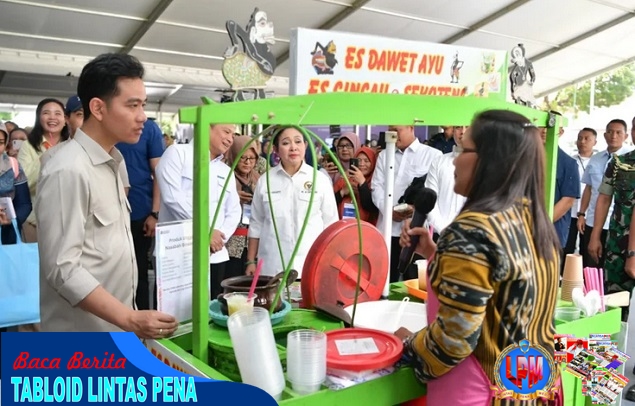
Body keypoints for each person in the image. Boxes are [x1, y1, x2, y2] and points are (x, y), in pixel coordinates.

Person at [396, 110, 561, 405]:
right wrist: (436, 253)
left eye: (464, 150)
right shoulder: (532, 219)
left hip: (480, 392)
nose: (455, 160)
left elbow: (454, 341)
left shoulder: (472, 230)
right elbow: (499, 290)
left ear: (490, 160)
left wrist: (408, 345)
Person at [36, 53, 177, 337]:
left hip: (115, 329)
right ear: (98, 108)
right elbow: (63, 269)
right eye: (132, 105)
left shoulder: (115, 161)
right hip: (82, 338)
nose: (142, 116)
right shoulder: (68, 170)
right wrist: (129, 318)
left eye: (143, 105)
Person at [156, 123, 241, 299]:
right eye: (226, 132)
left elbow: (234, 210)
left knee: (211, 306)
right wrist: (205, 231)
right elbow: (172, 198)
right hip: (178, 253)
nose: (230, 139)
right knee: (174, 311)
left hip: (214, 255)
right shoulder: (177, 154)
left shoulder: (225, 171)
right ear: (207, 127)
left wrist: (218, 239)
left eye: (233, 135)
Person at [247, 126, 339, 278]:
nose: (293, 147)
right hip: (272, 266)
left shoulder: (320, 180)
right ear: (275, 149)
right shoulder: (265, 181)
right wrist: (251, 261)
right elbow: (256, 223)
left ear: (305, 145)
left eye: (298, 141)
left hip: (310, 266)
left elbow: (330, 224)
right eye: (285, 143)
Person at [372, 125, 442, 282]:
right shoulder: (384, 155)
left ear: (411, 128)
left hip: (416, 232)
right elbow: (376, 187)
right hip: (387, 229)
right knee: (384, 280)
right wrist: (388, 210)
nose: (393, 134)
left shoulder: (432, 155)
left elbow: (435, 191)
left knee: (414, 281)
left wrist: (415, 209)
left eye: (397, 130)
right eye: (390, 130)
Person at [589, 116, 635, 322]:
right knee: (613, 310)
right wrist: (595, 236)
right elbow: (604, 198)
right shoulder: (619, 163)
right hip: (617, 247)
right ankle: (607, 344)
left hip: (632, 250)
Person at [117, 119, 164, 310]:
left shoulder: (148, 128)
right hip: (106, 214)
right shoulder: (104, 125)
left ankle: (140, 319)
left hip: (140, 212)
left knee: (138, 272)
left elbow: (159, 172)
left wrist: (155, 213)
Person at [578, 121, 630, 268]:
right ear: (605, 135)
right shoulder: (596, 158)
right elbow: (589, 188)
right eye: (610, 132)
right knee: (591, 267)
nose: (614, 136)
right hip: (592, 221)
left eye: (618, 132)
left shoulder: (629, 160)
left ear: (626, 136)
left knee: (614, 268)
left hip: (618, 225)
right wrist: (581, 214)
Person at [18, 98, 70, 242]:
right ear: (39, 118)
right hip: (35, 222)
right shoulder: (28, 146)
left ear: (65, 119)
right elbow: (24, 183)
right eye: (46, 113)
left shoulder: (73, 145)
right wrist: (44, 159)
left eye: (58, 113)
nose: (52, 117)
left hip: (68, 223)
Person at [539, 124, 580, 251]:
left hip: (551, 232)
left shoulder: (568, 163)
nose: (545, 131)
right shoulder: (522, 159)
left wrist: (539, 224)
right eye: (542, 126)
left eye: (550, 127)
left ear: (560, 132)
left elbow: (567, 200)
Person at [225, 135, 261, 278]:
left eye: (252, 158)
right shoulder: (225, 176)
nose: (247, 162)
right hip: (229, 245)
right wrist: (232, 197)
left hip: (253, 245)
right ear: (234, 155)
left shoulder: (259, 179)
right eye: (242, 157)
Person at [425, 126, 468, 238]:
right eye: (458, 127)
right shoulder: (439, 162)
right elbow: (430, 200)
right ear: (453, 130)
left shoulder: (485, 164)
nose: (463, 132)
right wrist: (444, 230)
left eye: (467, 127)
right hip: (439, 234)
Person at [564, 128, 596, 257]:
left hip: (590, 213)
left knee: (586, 250)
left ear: (595, 142)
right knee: (567, 247)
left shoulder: (598, 161)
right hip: (569, 211)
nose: (582, 141)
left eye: (587, 138)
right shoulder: (569, 160)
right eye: (580, 138)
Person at [0, 121, 31, 244]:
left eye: (0, 143)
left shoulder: (12, 165)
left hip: (7, 235)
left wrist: (12, 219)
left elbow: (24, 204)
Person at [333, 146, 379, 225]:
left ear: (373, 163)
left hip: (366, 229)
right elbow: (329, 204)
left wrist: (362, 183)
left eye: (366, 161)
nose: (362, 164)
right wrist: (342, 192)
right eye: (359, 160)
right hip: (343, 227)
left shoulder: (376, 182)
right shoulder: (344, 179)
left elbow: (372, 208)